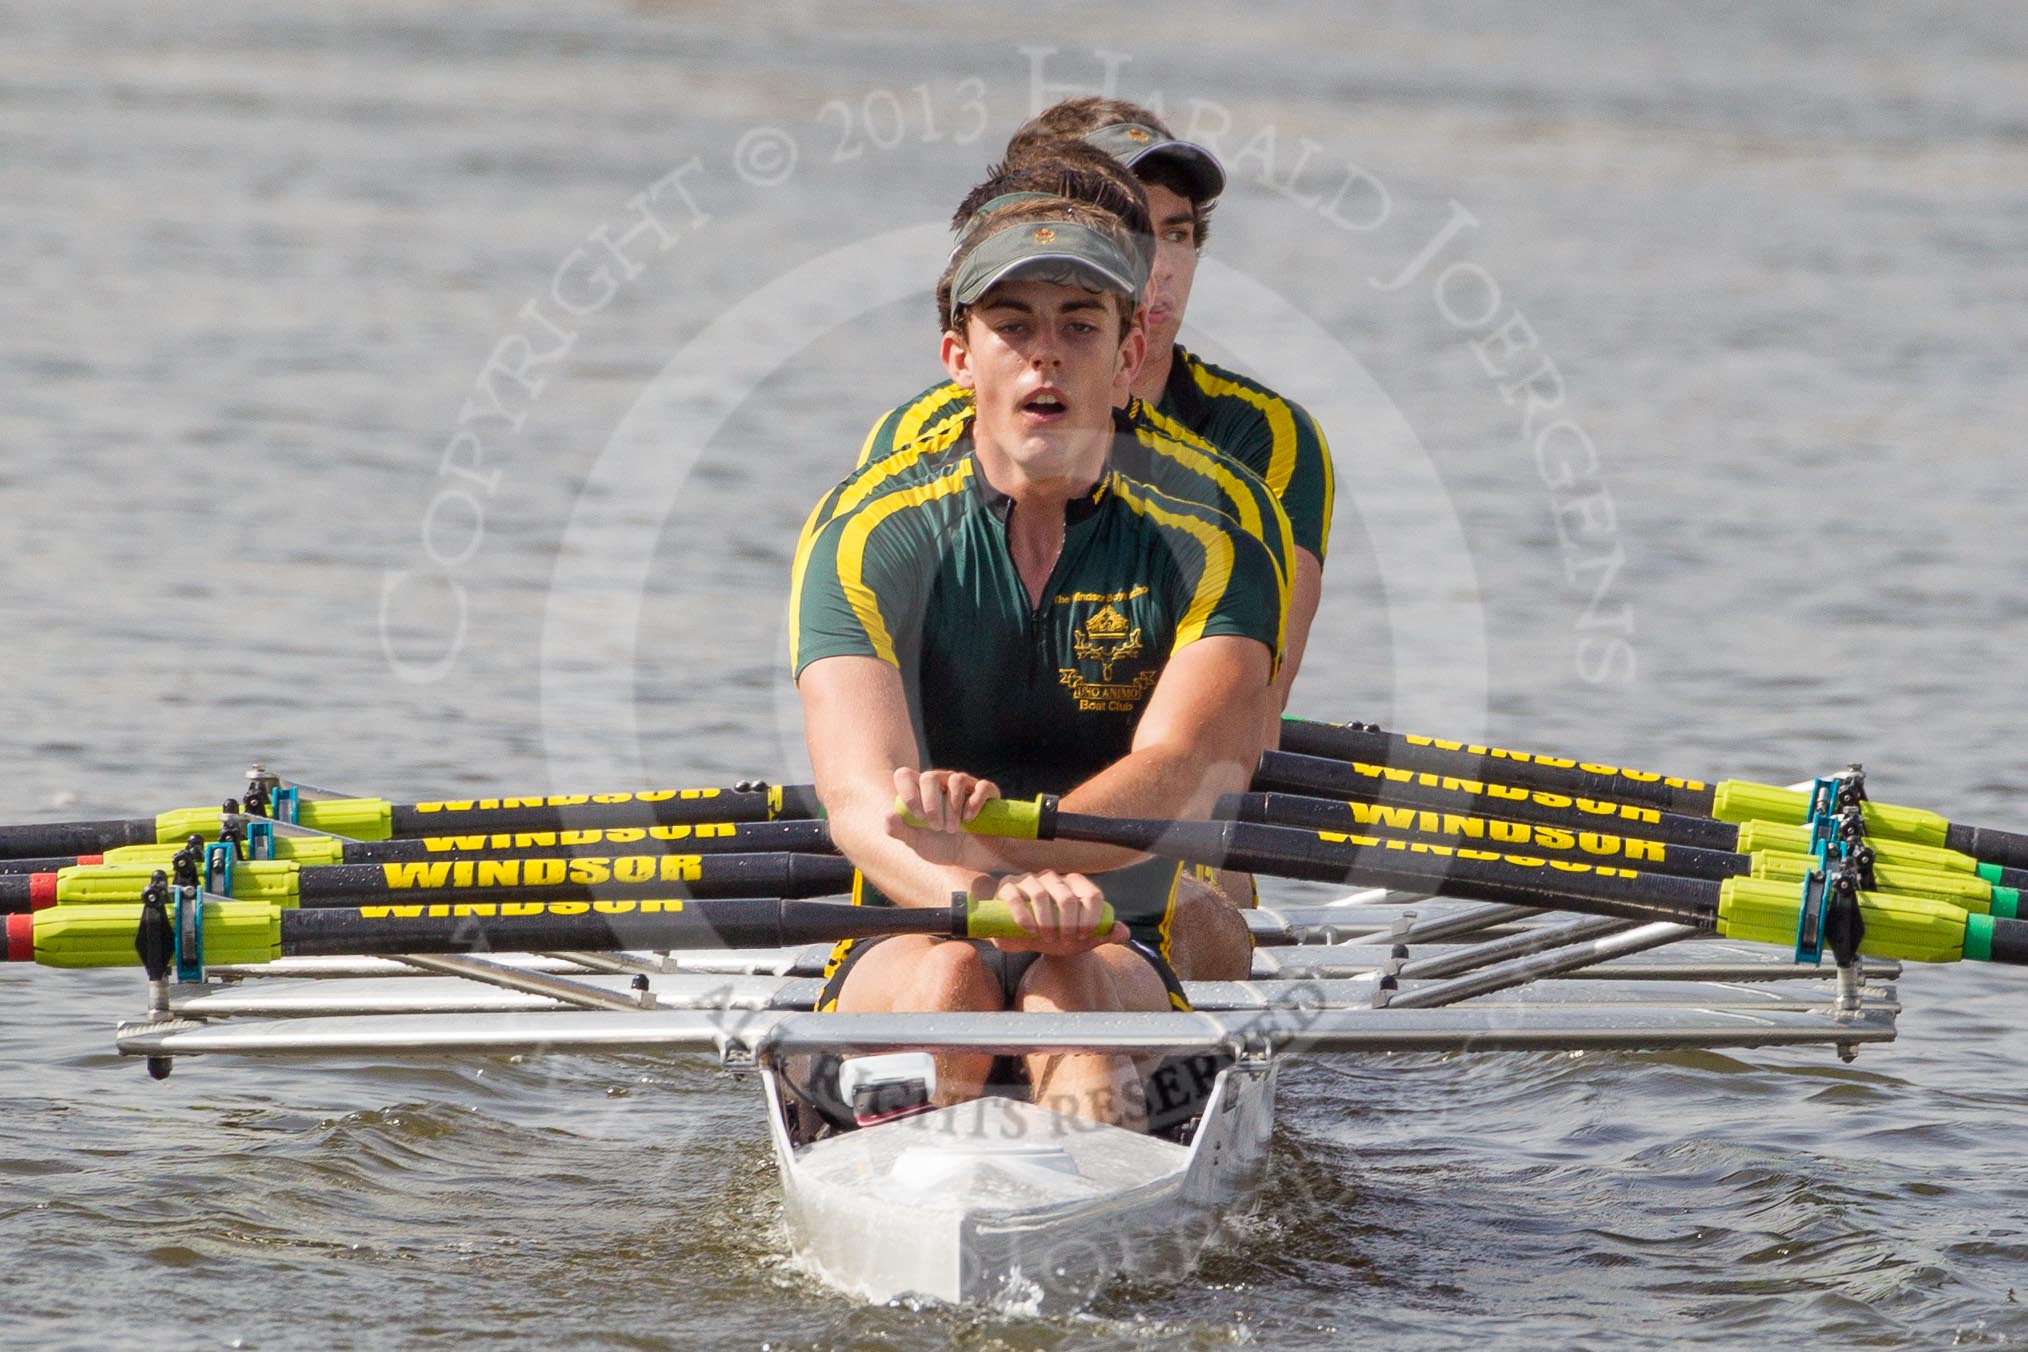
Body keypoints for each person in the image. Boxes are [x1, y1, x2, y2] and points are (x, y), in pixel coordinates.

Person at [791, 195, 1285, 1129]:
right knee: (949, 977)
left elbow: (1183, 781)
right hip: (913, 920)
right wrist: (986, 901)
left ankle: (1076, 1238)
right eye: (1011, 326)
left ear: (1129, 356)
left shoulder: (1215, 541)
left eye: (1079, 326)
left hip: (1122, 934)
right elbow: (860, 806)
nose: (1045, 354)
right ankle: (946, 1206)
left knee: (1073, 991)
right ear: (957, 359)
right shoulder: (868, 532)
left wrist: (1003, 846)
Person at [863, 98, 1335, 719]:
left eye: (1177, 233)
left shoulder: (1266, 438)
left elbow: (1253, 711)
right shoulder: (915, 434)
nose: (1159, 268)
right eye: (1127, 230)